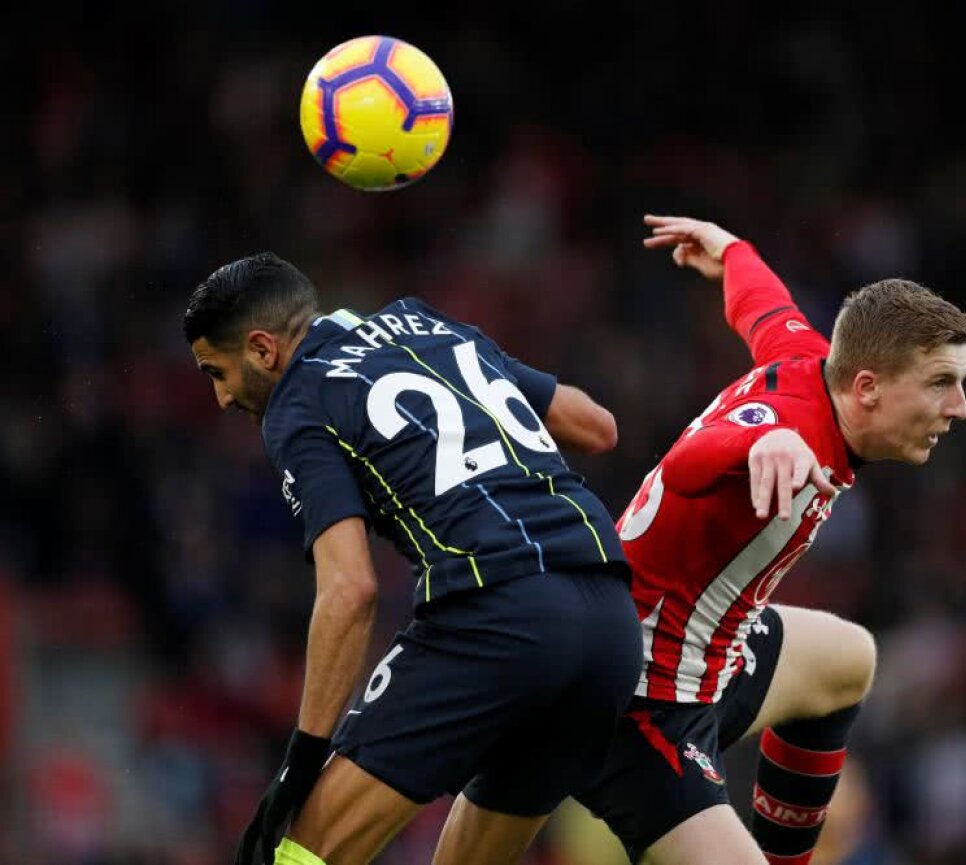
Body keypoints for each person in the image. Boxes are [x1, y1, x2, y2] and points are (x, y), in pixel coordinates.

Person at [437, 214, 966, 865]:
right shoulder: (790, 434)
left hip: (708, 648)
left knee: (847, 657)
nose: (959, 406)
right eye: (942, 382)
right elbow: (688, 466)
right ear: (868, 388)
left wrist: (732, 251)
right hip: (639, 704)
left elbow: (765, 309)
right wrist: (760, 440)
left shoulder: (809, 362)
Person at [182, 253, 643, 865]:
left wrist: (301, 759)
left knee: (297, 853)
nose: (220, 398)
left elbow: (350, 589)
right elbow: (596, 426)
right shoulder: (425, 325)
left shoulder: (298, 401)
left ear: (264, 350)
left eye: (218, 372)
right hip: (610, 629)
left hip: (497, 611)